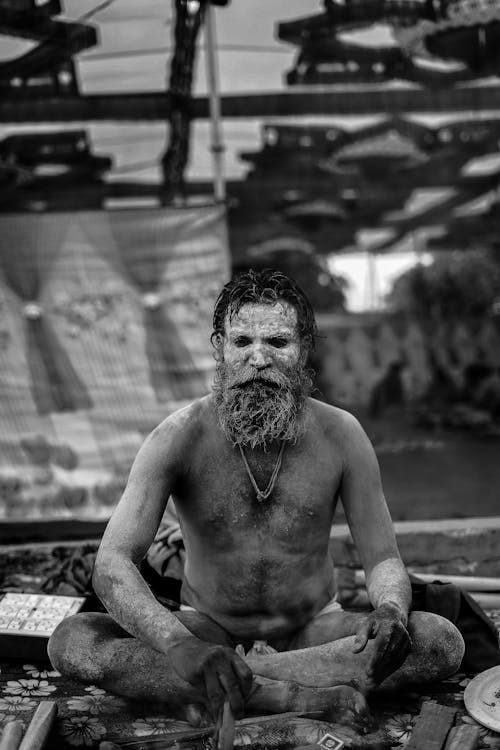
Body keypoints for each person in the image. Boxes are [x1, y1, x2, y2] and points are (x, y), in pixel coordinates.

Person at [48, 269, 464, 728]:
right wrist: (178, 644)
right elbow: (112, 564)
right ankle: (286, 695)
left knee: (437, 639)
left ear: (303, 350)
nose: (258, 358)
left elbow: (382, 555)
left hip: (316, 630)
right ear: (219, 349)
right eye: (241, 341)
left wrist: (389, 610)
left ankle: (240, 689)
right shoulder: (177, 437)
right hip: (205, 630)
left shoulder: (342, 435)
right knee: (74, 640)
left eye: (278, 343)